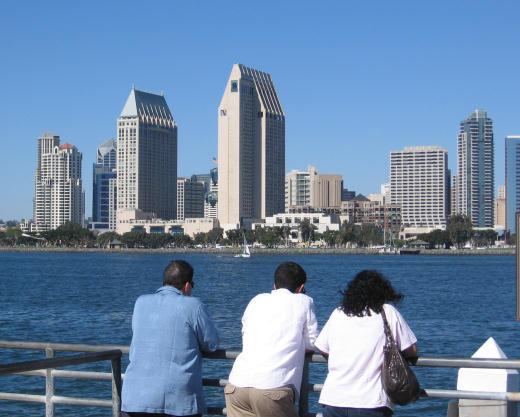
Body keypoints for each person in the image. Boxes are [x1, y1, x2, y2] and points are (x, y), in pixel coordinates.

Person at [121, 260, 219, 417]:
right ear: (187, 286)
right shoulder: (194, 305)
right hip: (178, 401)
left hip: (135, 398)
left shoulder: (140, 302)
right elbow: (211, 344)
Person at [314, 270, 418, 417]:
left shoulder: (339, 312)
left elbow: (322, 348)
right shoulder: (387, 312)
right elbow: (411, 350)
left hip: (334, 398)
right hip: (371, 401)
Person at [225, 261, 319, 417]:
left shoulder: (256, 300)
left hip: (237, 385)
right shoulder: (304, 301)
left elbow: (245, 334)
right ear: (301, 288)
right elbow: (311, 344)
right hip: (273, 388)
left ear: (275, 286)